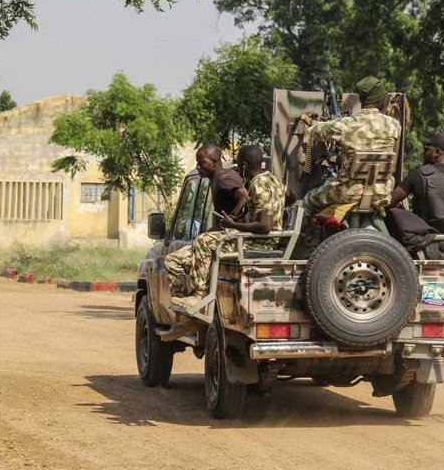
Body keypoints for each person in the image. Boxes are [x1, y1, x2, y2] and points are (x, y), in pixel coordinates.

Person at [170, 145, 285, 310]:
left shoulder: (258, 184)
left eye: (239, 165)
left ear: (244, 166)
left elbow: (264, 226)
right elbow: (291, 197)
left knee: (203, 240)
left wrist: (233, 224)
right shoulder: (275, 181)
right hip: (267, 239)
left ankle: (198, 295)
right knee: (196, 247)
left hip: (260, 241)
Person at [300, 76, 402, 216]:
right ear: (380, 99)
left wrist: (314, 122)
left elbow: (314, 131)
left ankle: (308, 236)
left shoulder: (345, 125)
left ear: (360, 99)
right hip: (382, 193)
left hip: (347, 192)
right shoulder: (394, 125)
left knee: (308, 199)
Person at [164, 144, 248, 296]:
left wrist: (233, 218)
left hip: (230, 239)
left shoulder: (225, 179)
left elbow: (243, 196)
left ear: (215, 162)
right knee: (172, 260)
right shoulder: (215, 179)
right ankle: (183, 301)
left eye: (201, 163)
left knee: (199, 243)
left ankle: (199, 295)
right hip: (219, 237)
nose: (197, 167)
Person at [388, 132, 444, 234]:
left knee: (393, 212)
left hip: (424, 235)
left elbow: (388, 202)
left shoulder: (419, 174)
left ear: (436, 152)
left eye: (427, 149)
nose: (424, 152)